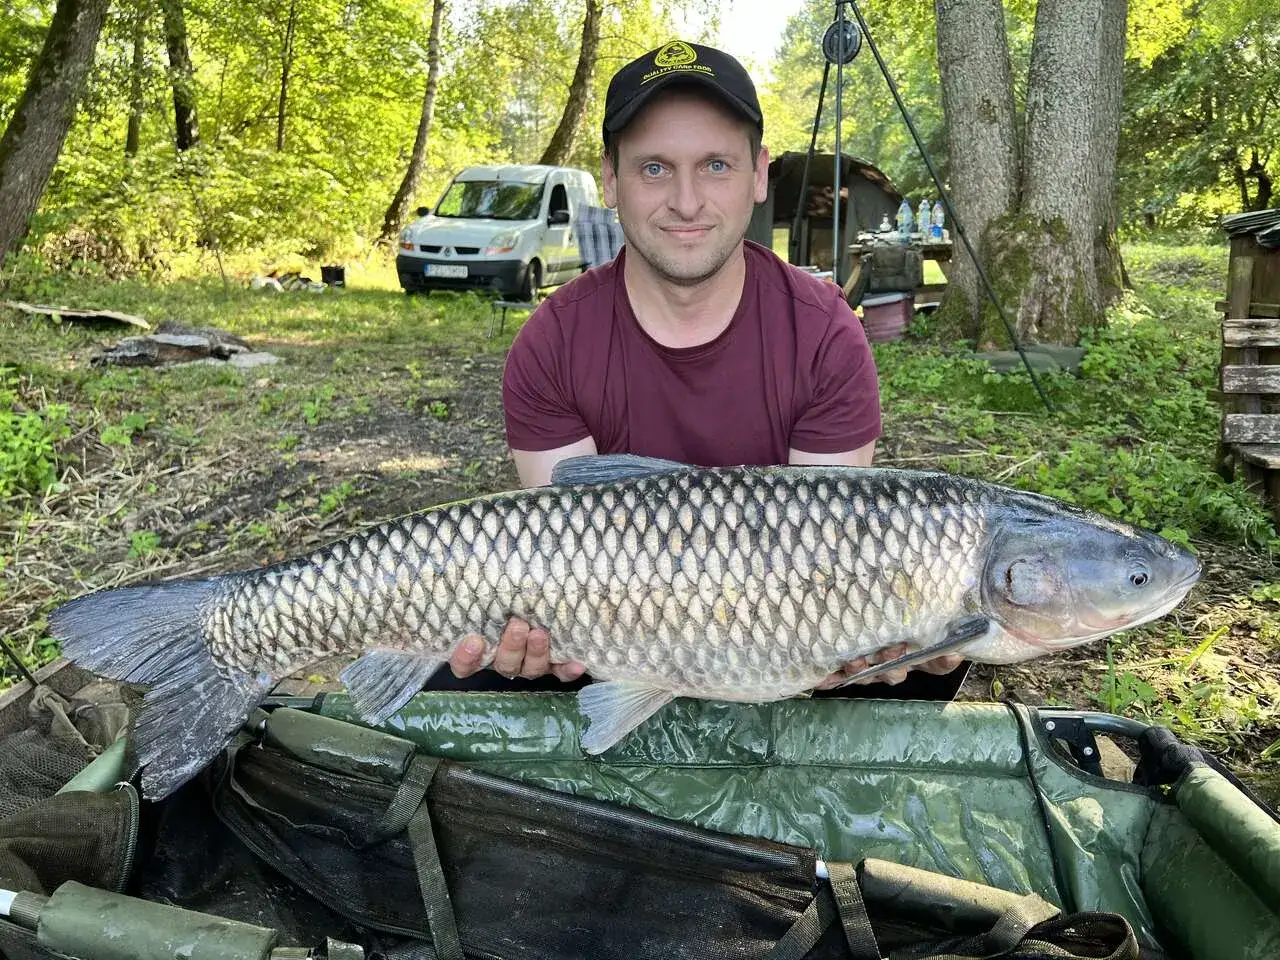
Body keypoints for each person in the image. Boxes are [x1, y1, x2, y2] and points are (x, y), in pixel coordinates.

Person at [434, 40, 965, 696]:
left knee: (923, 653)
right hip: (605, 625)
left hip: (778, 629)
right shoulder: (551, 343)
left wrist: (855, 645)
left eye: (715, 165)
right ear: (610, 178)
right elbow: (565, 558)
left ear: (759, 174)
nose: (686, 202)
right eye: (654, 168)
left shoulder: (825, 332)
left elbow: (826, 566)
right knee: (467, 660)